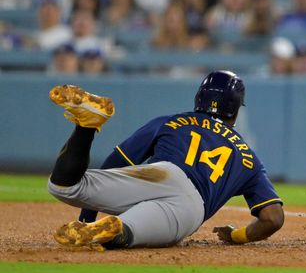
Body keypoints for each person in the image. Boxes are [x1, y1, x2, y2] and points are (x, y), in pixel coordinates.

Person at [47, 70, 284, 249]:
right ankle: (114, 230)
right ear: (236, 110)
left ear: (198, 98)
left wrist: (87, 213)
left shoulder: (171, 121)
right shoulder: (248, 157)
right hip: (190, 206)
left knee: (63, 186)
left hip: (159, 174)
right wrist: (236, 236)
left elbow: (117, 161)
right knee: (127, 233)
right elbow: (273, 218)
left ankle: (86, 126)